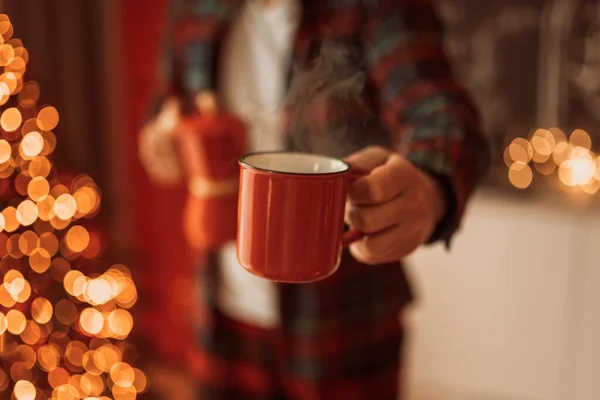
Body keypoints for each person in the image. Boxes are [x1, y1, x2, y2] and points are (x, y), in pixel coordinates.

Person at [139, 0, 491, 398]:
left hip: (344, 329)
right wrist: (161, 143)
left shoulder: (375, 8)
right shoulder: (191, 10)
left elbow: (440, 115)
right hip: (221, 317)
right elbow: (163, 113)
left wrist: (428, 187)